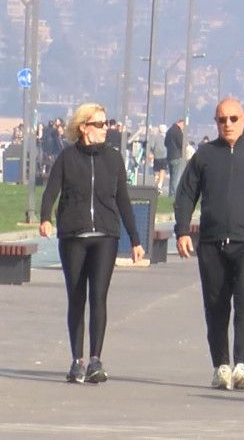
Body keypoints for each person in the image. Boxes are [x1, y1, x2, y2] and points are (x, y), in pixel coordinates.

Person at [174, 98, 244, 391]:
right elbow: (186, 194)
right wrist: (183, 230)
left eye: (233, 119)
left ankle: (243, 366)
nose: (228, 125)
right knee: (216, 304)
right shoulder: (205, 155)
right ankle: (221, 365)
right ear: (216, 122)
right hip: (211, 242)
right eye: (222, 119)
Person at [39, 102, 145, 384]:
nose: (105, 129)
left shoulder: (113, 159)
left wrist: (135, 239)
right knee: (76, 297)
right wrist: (45, 217)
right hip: (74, 236)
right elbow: (51, 190)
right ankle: (77, 360)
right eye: (99, 124)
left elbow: (123, 199)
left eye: (106, 123)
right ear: (84, 128)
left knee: (98, 296)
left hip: (105, 237)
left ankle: (96, 359)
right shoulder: (67, 157)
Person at [166, 119, 185, 196]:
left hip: (170, 156)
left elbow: (165, 143)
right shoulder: (178, 132)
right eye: (183, 125)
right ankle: (173, 194)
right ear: (180, 123)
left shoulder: (169, 131)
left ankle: (171, 193)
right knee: (176, 177)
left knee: (172, 177)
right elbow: (181, 144)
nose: (183, 127)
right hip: (177, 156)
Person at [148, 124, 168, 191]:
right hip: (165, 155)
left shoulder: (155, 137)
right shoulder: (167, 137)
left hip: (157, 155)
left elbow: (152, 146)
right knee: (163, 169)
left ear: (159, 130)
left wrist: (151, 152)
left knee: (156, 169)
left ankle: (156, 178)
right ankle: (160, 183)